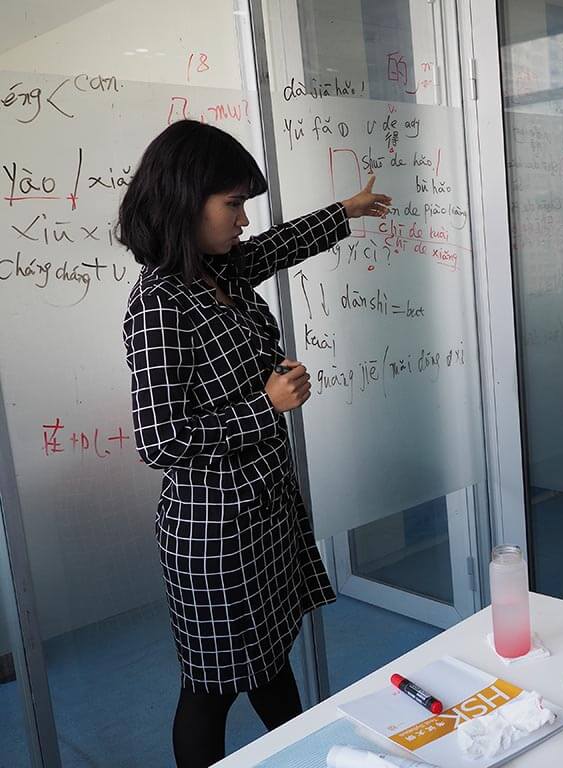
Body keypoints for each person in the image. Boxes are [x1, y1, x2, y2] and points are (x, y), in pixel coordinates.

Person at [120, 120, 391, 767]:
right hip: (213, 536)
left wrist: (345, 211)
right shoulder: (159, 304)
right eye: (232, 204)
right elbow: (159, 441)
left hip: (261, 514)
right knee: (211, 690)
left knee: (270, 665)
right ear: (186, 202)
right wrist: (263, 406)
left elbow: (278, 244)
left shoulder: (219, 271)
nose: (243, 219)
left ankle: (302, 752)